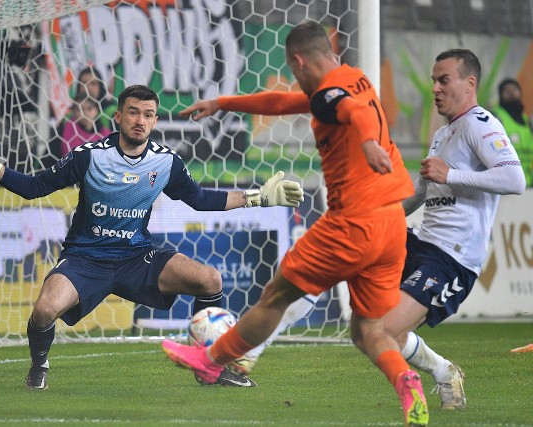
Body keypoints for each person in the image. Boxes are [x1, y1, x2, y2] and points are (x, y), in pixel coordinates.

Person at [0, 85, 304, 390]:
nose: (140, 120)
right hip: (86, 260)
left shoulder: (165, 162)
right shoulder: (90, 157)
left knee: (209, 279)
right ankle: (39, 365)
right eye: (133, 112)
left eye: (148, 114)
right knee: (44, 310)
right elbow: (35, 187)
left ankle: (207, 366)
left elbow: (199, 199)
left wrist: (259, 198)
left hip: (136, 258)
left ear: (155, 120)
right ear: (118, 117)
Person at [163, 21, 429, 427]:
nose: (294, 78)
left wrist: (370, 142)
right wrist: (224, 102)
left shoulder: (331, 94)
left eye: (292, 70)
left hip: (352, 222)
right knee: (367, 330)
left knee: (276, 295)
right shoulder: (353, 78)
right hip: (391, 223)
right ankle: (405, 380)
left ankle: (211, 358)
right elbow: (283, 103)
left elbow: (353, 113)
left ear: (299, 61)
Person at [383, 49, 525, 409]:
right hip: (422, 242)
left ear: (470, 82)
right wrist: (383, 217)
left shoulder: (482, 124)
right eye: (433, 80)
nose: (435, 88)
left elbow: (515, 178)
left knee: (385, 330)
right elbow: (421, 192)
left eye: (443, 80)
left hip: (451, 257)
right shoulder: (444, 133)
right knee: (369, 315)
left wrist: (452, 174)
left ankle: (444, 371)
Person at [492, 78, 533, 186]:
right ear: (501, 95)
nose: (511, 93)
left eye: (514, 89)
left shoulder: (528, 121)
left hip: (527, 184)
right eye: (507, 91)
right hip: (505, 185)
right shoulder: (495, 118)